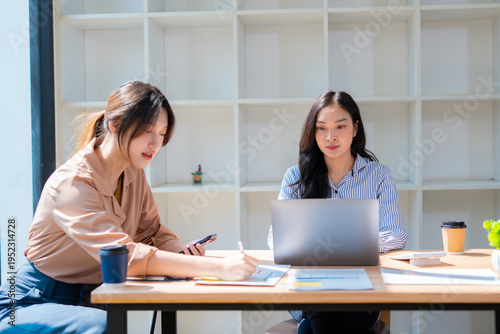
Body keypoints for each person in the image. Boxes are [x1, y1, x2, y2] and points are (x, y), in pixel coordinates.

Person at [0, 81, 258, 333]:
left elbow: (152, 233)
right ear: (114, 125)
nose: (156, 144)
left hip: (94, 297)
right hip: (33, 299)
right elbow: (127, 258)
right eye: (147, 131)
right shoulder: (73, 183)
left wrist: (181, 250)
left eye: (161, 133)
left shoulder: (133, 172)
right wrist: (219, 268)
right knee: (100, 326)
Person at [267, 90, 408, 334]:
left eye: (340, 127)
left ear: (355, 128)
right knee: (323, 306)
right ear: (313, 132)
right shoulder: (295, 177)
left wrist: (332, 247)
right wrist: (350, 246)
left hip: (361, 289)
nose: (330, 136)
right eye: (321, 128)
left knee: (328, 314)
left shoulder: (379, 175)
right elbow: (275, 240)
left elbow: (396, 234)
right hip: (308, 286)